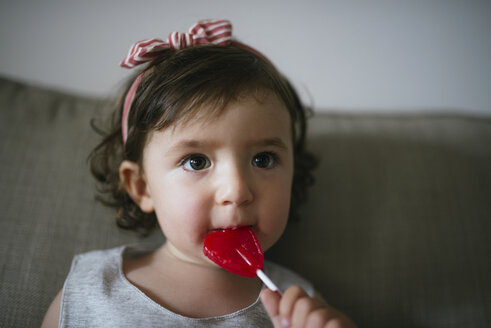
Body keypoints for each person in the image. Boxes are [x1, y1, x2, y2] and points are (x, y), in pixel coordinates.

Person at [42, 19, 356, 328]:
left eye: (263, 159)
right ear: (142, 187)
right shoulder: (92, 286)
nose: (236, 191)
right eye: (196, 162)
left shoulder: (297, 306)